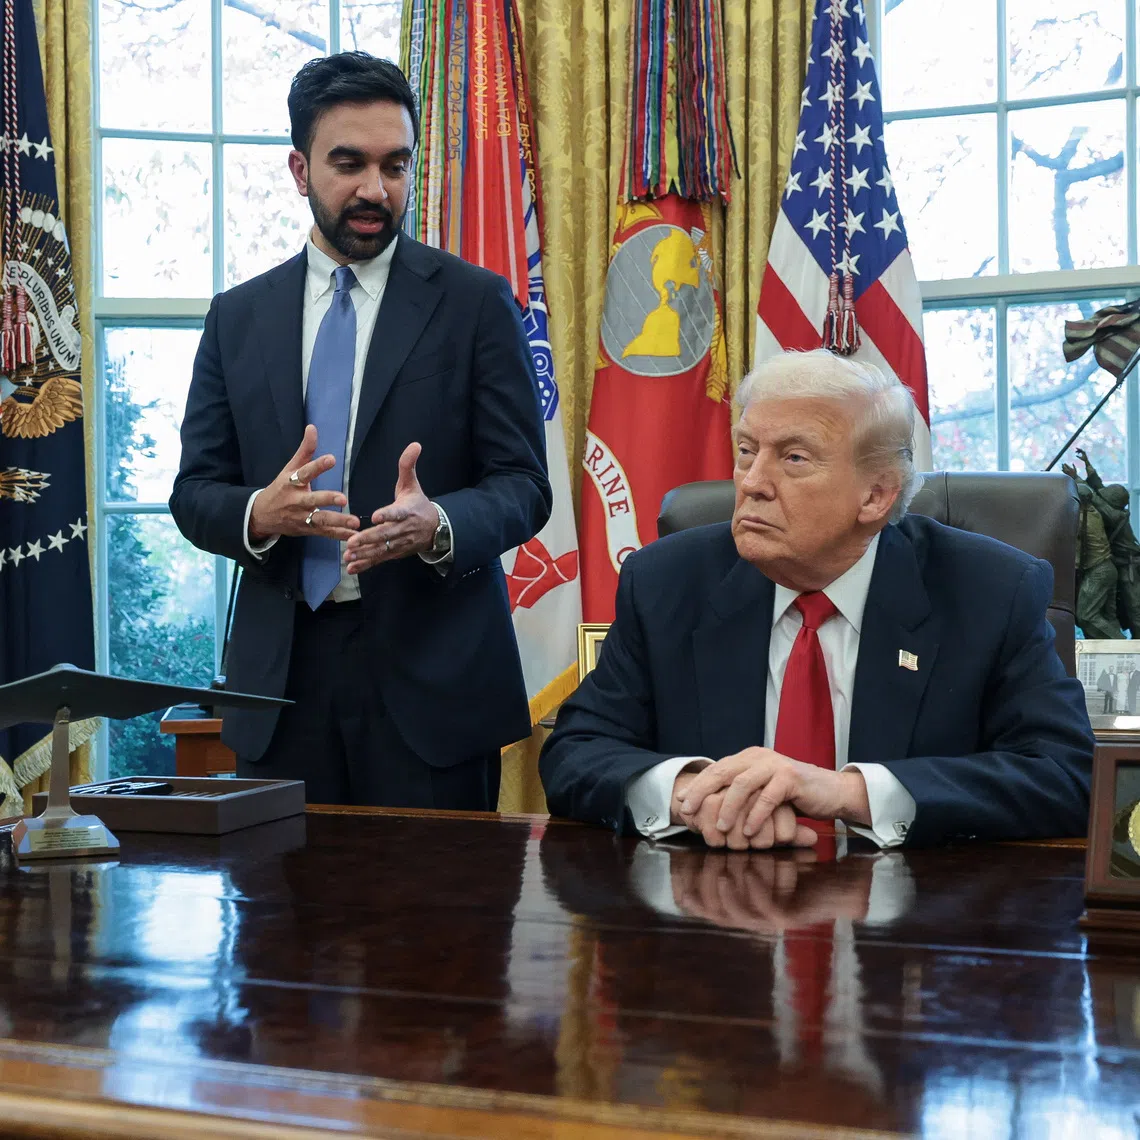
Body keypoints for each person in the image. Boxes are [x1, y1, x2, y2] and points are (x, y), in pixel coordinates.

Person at [170, 53, 551, 808]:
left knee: (441, 929)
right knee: (280, 924)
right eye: (349, 164)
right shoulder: (237, 317)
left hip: (434, 686)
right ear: (298, 167)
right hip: (281, 688)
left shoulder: (477, 304)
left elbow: (524, 486)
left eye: (395, 165)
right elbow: (195, 492)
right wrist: (260, 513)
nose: (376, 190)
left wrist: (439, 522)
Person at [540, 349, 1094, 849]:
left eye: (794, 458)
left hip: (915, 932)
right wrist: (694, 793)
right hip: (714, 926)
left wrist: (846, 792)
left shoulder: (989, 591)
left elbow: (1066, 777)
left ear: (876, 495)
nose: (752, 482)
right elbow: (576, 752)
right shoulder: (667, 581)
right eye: (746, 451)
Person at [1070, 447, 1140, 639]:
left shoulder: (1115, 516)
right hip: (1114, 565)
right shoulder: (1108, 510)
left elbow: (1094, 498)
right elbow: (1098, 490)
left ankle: (1131, 649)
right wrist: (1087, 465)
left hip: (1129, 568)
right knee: (1111, 613)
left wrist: (1076, 478)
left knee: (1135, 611)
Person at [1062, 451, 1125, 640]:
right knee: (1107, 617)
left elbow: (1077, 557)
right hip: (1107, 568)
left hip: (1099, 571)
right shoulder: (1093, 510)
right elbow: (1089, 493)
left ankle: (1123, 646)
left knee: (1085, 616)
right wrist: (1076, 477)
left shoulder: (1082, 519)